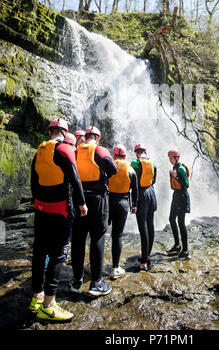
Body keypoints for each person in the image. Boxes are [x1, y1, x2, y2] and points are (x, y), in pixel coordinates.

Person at [29, 118, 87, 322]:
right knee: (58, 253)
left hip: (41, 208)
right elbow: (75, 177)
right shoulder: (64, 150)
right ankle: (49, 304)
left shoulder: (39, 151)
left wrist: (38, 202)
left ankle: (36, 296)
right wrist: (82, 203)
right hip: (61, 209)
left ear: (49, 130)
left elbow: (33, 181)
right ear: (64, 132)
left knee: (39, 251)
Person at [69, 126, 117, 296]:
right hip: (97, 199)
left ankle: (76, 280)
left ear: (85, 136)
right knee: (97, 236)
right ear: (98, 138)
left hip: (79, 198)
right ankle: (96, 282)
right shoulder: (99, 149)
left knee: (78, 238)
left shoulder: (75, 151)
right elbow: (114, 168)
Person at [108, 144, 138, 279]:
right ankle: (115, 268)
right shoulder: (131, 170)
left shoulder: (108, 167)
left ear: (114, 156)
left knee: (99, 233)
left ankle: (93, 264)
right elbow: (135, 190)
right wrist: (134, 206)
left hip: (107, 202)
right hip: (123, 203)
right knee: (117, 235)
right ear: (125, 156)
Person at [131, 144, 157, 271]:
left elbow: (132, 181)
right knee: (150, 225)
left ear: (137, 153)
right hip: (151, 193)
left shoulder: (135, 163)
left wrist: (132, 202)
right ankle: (148, 255)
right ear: (145, 152)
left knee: (143, 227)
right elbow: (154, 179)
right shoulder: (153, 162)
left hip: (141, 195)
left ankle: (144, 261)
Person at [167, 150, 191, 259]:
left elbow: (186, 184)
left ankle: (185, 251)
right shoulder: (174, 168)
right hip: (176, 196)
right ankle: (177, 246)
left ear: (176, 158)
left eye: (171, 158)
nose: (170, 160)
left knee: (181, 223)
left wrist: (176, 177)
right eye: (169, 158)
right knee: (171, 219)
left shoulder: (180, 168)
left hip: (182, 197)